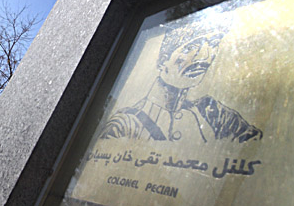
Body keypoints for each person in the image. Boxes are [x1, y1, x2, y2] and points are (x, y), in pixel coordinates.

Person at [101, 20, 262, 143]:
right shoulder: (124, 124)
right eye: (191, 47)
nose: (204, 57)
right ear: (164, 60)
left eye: (213, 44)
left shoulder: (213, 113)